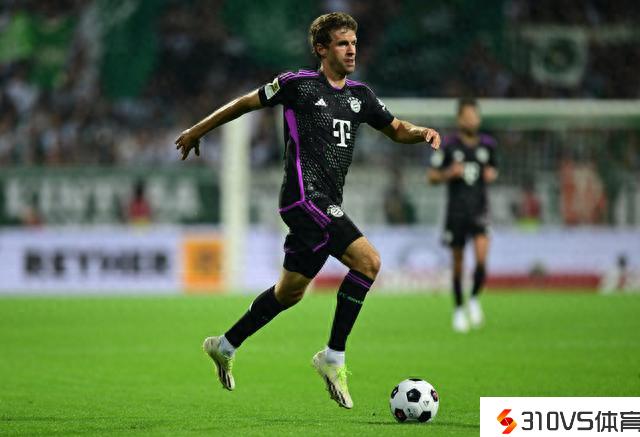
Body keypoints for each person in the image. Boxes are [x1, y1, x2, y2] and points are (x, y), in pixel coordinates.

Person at [174, 12, 441, 409]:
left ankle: (225, 344)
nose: (351, 50)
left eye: (354, 43)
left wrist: (421, 132)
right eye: (342, 43)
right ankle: (333, 357)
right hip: (303, 197)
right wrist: (198, 129)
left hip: (326, 202)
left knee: (290, 292)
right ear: (321, 49)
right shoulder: (297, 85)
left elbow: (396, 128)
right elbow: (245, 103)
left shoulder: (361, 96)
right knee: (368, 262)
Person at [427, 98, 497, 333]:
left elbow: (493, 169)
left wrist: (492, 174)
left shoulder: (488, 145)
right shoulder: (448, 146)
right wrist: (449, 173)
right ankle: (458, 309)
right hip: (456, 212)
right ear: (459, 119)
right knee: (458, 263)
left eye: (474, 116)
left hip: (480, 210)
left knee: (481, 260)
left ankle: (474, 299)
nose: (471, 120)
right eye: (467, 116)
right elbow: (431, 176)